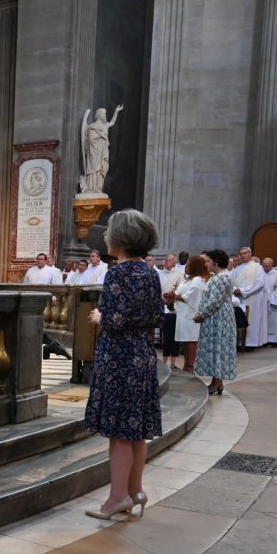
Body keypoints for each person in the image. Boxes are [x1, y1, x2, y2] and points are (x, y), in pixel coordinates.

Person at [83, 209, 163, 521]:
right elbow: (157, 315)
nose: (104, 236)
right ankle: (135, 490)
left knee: (118, 432)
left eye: (109, 231)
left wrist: (98, 316)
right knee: (135, 431)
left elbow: (114, 321)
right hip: (142, 354)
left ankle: (117, 497)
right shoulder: (150, 273)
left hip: (118, 357)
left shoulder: (118, 272)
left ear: (121, 238)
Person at [194, 250, 239, 394]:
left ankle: (217, 382)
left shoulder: (221, 278)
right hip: (217, 315)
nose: (206, 264)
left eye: (208, 261)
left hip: (217, 317)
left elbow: (215, 301)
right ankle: (216, 381)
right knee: (216, 347)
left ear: (216, 262)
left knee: (217, 346)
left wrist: (202, 314)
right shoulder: (220, 276)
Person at [170, 254, 208, 374]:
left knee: (191, 340)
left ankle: (189, 367)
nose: (185, 267)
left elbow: (191, 298)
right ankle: (187, 365)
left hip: (191, 315)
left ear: (195, 267)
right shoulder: (189, 278)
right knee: (186, 341)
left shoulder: (198, 280)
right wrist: (173, 294)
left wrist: (175, 296)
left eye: (188, 265)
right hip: (184, 314)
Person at [232, 246, 267, 350]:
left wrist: (243, 291)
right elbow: (231, 281)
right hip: (238, 298)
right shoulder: (237, 268)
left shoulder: (258, 267)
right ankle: (239, 343)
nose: (242, 255)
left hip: (252, 297)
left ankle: (250, 343)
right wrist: (234, 289)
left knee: (252, 320)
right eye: (241, 253)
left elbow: (260, 282)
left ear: (250, 254)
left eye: (245, 253)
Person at [157, 254, 184, 369]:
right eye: (166, 260)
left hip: (173, 306)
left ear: (175, 262)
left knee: (172, 336)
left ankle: (172, 362)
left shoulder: (179, 274)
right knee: (164, 332)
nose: (167, 262)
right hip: (160, 303)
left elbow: (181, 289)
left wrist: (170, 298)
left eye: (170, 260)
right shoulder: (159, 273)